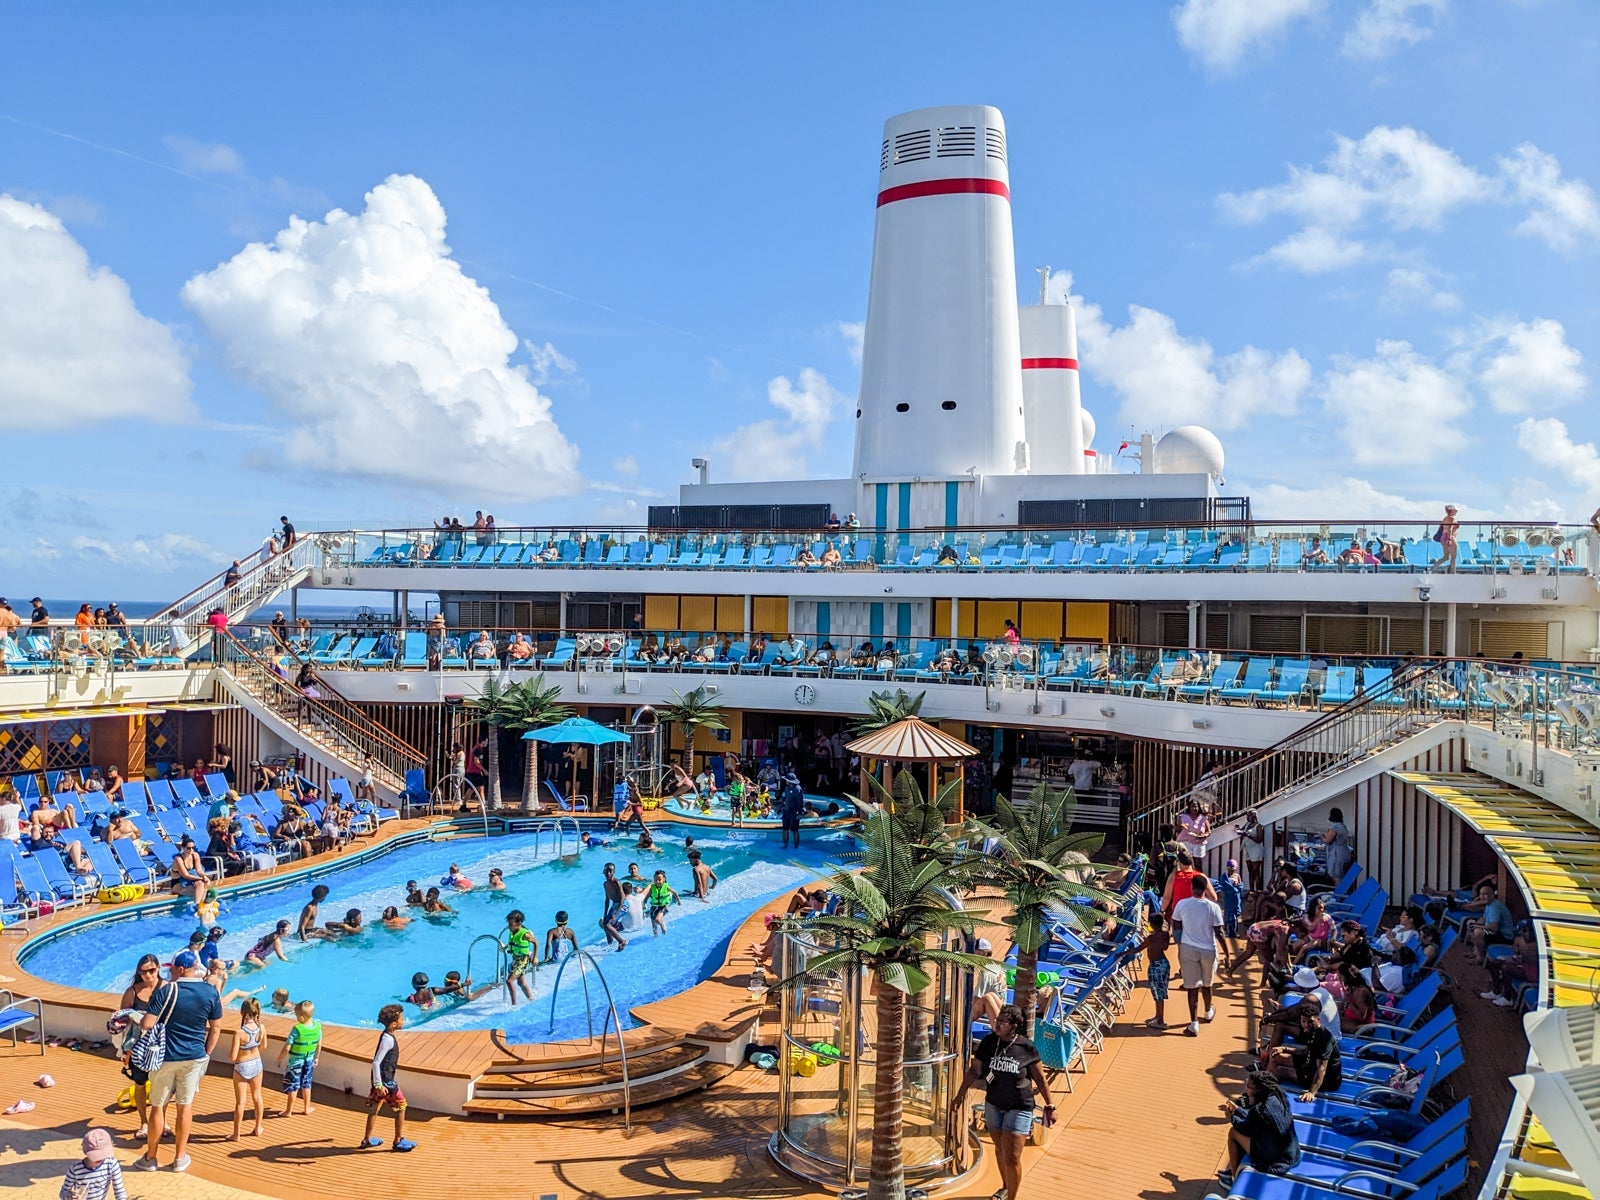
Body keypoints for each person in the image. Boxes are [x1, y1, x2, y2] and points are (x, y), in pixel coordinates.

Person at [949, 1003, 1054, 1200]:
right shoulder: (989, 1042)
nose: (997, 1024)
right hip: (993, 1105)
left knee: (1012, 1157)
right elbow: (975, 1070)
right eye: (997, 1020)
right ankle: (1005, 1187)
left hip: (1019, 1106)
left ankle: (1012, 1197)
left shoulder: (1027, 1048)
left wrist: (1050, 1105)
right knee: (1000, 1149)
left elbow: (1040, 1078)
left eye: (1003, 1022)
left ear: (1014, 1025)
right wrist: (960, 1094)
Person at [134, 950, 223, 1173]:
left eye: (172, 968)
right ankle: (179, 1158)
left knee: (158, 1106)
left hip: (166, 1058)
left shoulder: (166, 991)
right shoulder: (210, 991)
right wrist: (206, 1053)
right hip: (194, 1057)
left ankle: (151, 1158)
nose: (170, 971)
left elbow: (147, 1024)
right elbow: (216, 1028)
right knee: (185, 1107)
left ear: (180, 969)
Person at [1218, 1071, 1301, 1189]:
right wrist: (1238, 1110)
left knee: (1233, 1133)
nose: (1246, 1090)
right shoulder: (1276, 1098)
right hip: (1291, 1154)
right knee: (1248, 1134)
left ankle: (1234, 1179)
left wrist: (1231, 1117)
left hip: (1276, 1161)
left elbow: (1245, 1128)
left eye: (1248, 1086)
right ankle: (1234, 1167)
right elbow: (1253, 1121)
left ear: (1258, 1090)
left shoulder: (1260, 1110)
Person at [1173, 874, 1231, 1036]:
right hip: (1209, 950)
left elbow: (1176, 925)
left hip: (1188, 949)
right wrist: (1227, 954)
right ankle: (1207, 1012)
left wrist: (1180, 944)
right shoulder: (1214, 908)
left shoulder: (1182, 904)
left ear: (1192, 887)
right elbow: (1219, 932)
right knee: (1207, 984)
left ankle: (1193, 1024)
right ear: (1206, 889)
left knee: (1191, 987)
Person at [116, 954, 163, 1140]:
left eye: (152, 970)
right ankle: (144, 1121)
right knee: (140, 1084)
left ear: (158, 968)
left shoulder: (167, 988)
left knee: (162, 1087)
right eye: (143, 972)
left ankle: (162, 1120)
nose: (148, 975)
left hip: (160, 1047)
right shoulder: (132, 992)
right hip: (137, 1049)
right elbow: (121, 1019)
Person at [359, 1004, 415, 1152]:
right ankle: (398, 1140)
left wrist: (376, 1084)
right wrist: (379, 1085)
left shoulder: (386, 1036)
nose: (404, 1020)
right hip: (386, 1083)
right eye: (402, 1019)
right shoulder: (388, 1040)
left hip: (379, 1082)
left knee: (375, 1108)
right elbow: (376, 1062)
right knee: (401, 1106)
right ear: (394, 1024)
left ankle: (367, 1139)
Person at [1267, 1000, 1343, 1102]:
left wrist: (1311, 1092)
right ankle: (1264, 1077)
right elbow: (1305, 1051)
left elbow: (1321, 1069)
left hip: (1326, 1080)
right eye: (1303, 1021)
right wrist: (1284, 1049)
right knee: (1275, 1055)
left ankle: (1264, 1091)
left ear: (1318, 1020)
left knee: (1280, 1071)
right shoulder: (1310, 1031)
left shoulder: (1324, 1039)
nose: (1306, 1025)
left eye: (1310, 1022)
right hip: (1309, 1063)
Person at [228, 996, 266, 1141]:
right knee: (257, 1097)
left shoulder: (239, 1033)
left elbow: (233, 1057)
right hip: (256, 1064)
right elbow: (263, 1046)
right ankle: (258, 1127)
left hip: (242, 1066)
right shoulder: (261, 1028)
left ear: (242, 1012)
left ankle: (236, 1134)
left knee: (240, 1102)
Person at [277, 999, 322, 1116]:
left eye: (296, 1015)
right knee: (307, 1084)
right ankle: (307, 1108)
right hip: (309, 1061)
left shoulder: (297, 1029)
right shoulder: (317, 1027)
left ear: (301, 1018)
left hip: (295, 1063)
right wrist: (316, 1058)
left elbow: (287, 1048)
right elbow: (319, 1045)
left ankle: (288, 1111)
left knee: (293, 1086)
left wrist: (279, 1058)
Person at [60, 1127, 127, 1200]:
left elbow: (120, 1191)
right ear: (86, 1151)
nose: (100, 1158)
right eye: (97, 1155)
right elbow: (63, 1192)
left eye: (103, 1154)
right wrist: (69, 1196)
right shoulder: (75, 1169)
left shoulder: (111, 1164)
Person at [1134, 912, 1173, 1030]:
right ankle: (1158, 1016)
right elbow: (1165, 947)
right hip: (1164, 964)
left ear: (1153, 925)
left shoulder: (1151, 938)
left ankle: (1160, 1021)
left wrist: (1122, 953)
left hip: (1155, 966)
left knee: (1158, 994)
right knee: (1160, 992)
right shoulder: (1165, 935)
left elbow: (1138, 949)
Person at [1463, 881, 1516, 964]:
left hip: (1504, 935)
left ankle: (1480, 958)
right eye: (1481, 894)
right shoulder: (1489, 904)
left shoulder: (1495, 907)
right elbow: (1484, 918)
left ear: (1492, 896)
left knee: (1478, 932)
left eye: (1485, 894)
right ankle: (1475, 953)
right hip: (1495, 931)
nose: (1482, 897)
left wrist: (1477, 927)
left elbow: (1494, 927)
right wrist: (1474, 924)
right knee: (1470, 923)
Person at [503, 909, 536, 1006]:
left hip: (523, 961)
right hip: (516, 960)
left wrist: (535, 957)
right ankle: (531, 999)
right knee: (521, 982)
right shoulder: (513, 932)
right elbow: (513, 943)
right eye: (508, 924)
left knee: (509, 981)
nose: (509, 926)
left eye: (511, 924)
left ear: (519, 923)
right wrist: (505, 947)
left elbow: (536, 943)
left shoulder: (525, 934)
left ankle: (514, 1005)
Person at [1235, 809, 1268, 892]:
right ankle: (1251, 890)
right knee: (1250, 871)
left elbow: (1259, 840)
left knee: (1256, 871)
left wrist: (1247, 835)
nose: (1248, 817)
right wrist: (1238, 829)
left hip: (1256, 850)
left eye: (1250, 816)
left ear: (1254, 817)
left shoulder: (1259, 826)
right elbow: (1242, 830)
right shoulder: (1247, 824)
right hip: (1247, 849)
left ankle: (1258, 891)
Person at [600, 863, 628, 951]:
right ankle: (610, 943)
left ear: (614, 872)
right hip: (614, 905)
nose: (608, 873)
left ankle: (622, 941)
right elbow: (607, 899)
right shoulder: (605, 884)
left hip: (622, 904)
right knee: (605, 923)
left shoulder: (616, 882)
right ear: (604, 872)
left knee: (608, 925)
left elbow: (623, 897)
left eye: (610, 871)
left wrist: (616, 914)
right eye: (606, 871)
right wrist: (605, 914)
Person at [1321, 807, 1352, 884]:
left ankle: (1339, 891)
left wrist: (1322, 837)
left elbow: (1328, 841)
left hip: (1336, 854)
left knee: (1336, 877)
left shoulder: (1335, 827)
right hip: (1344, 853)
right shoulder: (1342, 826)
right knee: (1341, 876)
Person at [646, 869, 680, 935]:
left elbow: (675, 892)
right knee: (653, 922)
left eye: (659, 880)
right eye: (655, 880)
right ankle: (655, 935)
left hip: (663, 906)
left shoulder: (666, 886)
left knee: (657, 919)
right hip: (654, 906)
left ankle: (662, 925)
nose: (657, 881)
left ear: (664, 879)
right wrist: (644, 902)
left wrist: (678, 901)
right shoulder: (652, 887)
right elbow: (647, 896)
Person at [779, 771, 805, 850]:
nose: (785, 781)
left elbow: (800, 802)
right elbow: (786, 798)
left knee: (794, 830)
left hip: (794, 813)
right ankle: (785, 845)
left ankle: (796, 846)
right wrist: (782, 806)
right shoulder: (787, 787)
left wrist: (799, 813)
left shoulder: (797, 789)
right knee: (785, 829)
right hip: (786, 811)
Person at [1435, 504, 1460, 572]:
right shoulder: (1452, 519)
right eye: (1455, 510)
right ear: (1452, 511)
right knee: (1453, 557)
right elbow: (1450, 529)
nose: (1456, 512)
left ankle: (1433, 568)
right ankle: (1453, 572)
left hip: (1443, 537)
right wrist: (1449, 539)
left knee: (1446, 557)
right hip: (1450, 537)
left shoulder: (1445, 519)